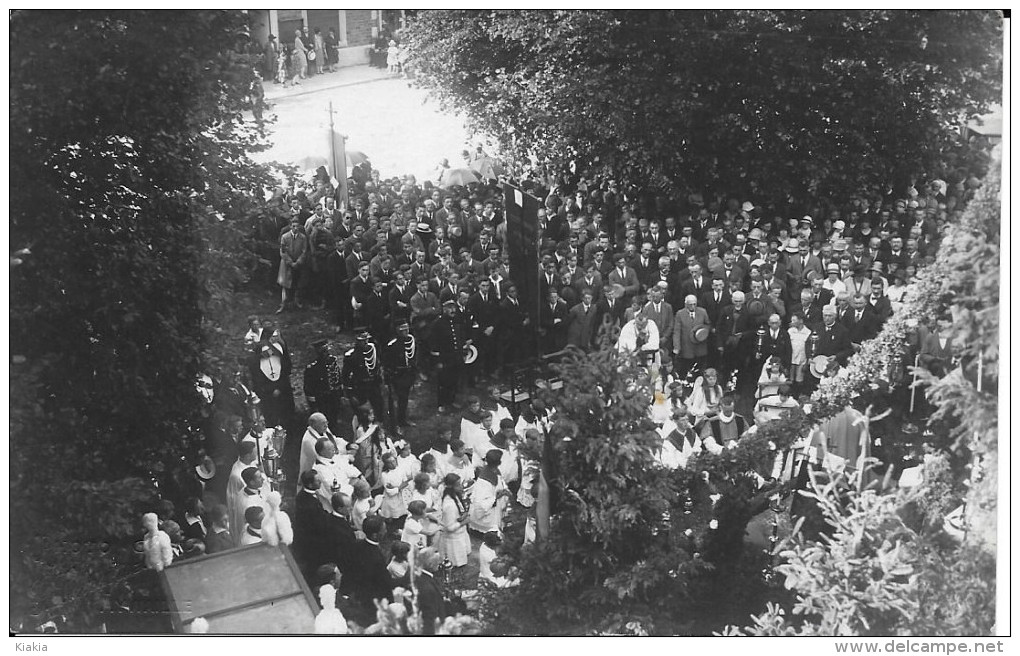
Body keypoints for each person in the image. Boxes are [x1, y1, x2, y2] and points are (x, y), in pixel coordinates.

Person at [430, 299, 468, 412]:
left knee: (455, 380)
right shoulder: (438, 324)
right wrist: (438, 361)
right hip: (445, 359)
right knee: (443, 382)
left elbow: (460, 337)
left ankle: (451, 402)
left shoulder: (457, 321)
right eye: (449, 308)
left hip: (456, 357)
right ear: (444, 309)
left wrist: (462, 353)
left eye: (453, 308)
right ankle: (442, 404)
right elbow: (434, 344)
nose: (452, 310)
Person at [342, 328, 386, 421]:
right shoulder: (351, 356)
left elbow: (377, 365)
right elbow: (345, 376)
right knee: (364, 412)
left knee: (379, 408)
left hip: (374, 384)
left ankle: (380, 429)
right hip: (361, 387)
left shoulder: (373, 348)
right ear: (357, 341)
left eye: (367, 339)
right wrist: (350, 394)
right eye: (362, 340)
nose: (366, 342)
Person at [303, 340, 344, 433]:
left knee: (334, 420)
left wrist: (340, 394)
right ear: (319, 353)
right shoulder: (312, 368)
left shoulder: (332, 362)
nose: (326, 354)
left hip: (333, 397)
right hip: (321, 399)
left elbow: (338, 379)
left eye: (327, 351)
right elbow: (309, 389)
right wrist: (313, 405)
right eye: (324, 352)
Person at [384, 320, 418, 432]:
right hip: (398, 375)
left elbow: (414, 358)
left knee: (405, 398)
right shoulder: (392, 345)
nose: (406, 331)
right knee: (398, 399)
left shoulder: (411, 341)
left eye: (407, 329)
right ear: (397, 330)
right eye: (403, 330)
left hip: (409, 373)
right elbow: (387, 363)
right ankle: (397, 423)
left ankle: (403, 419)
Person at [438, 473, 472, 567]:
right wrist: (464, 522)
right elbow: (449, 527)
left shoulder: (455, 496)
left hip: (460, 535)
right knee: (455, 565)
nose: (461, 487)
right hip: (453, 540)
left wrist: (464, 515)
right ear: (451, 486)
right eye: (458, 485)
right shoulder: (449, 505)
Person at [415, 548, 447, 636]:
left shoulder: (420, 576)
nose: (439, 564)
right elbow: (430, 617)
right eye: (437, 562)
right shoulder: (428, 589)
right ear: (430, 564)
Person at [278, 218, 308, 312]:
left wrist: (298, 262)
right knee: (285, 284)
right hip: (287, 264)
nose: (295, 228)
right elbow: (283, 252)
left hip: (298, 264)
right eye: (293, 226)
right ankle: (284, 303)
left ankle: (296, 301)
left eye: (297, 226)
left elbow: (304, 251)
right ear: (290, 226)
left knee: (297, 282)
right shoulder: (284, 237)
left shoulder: (303, 237)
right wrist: (290, 262)